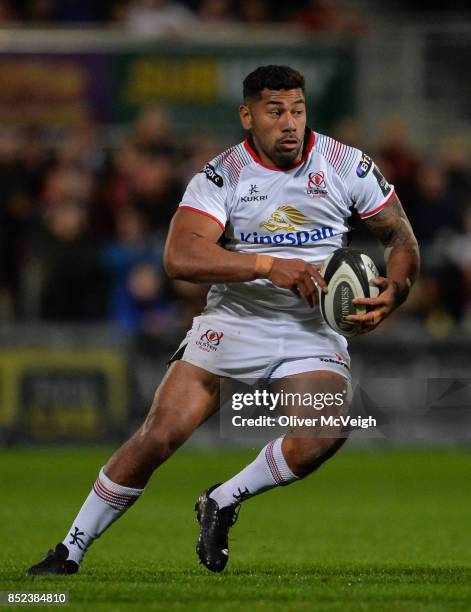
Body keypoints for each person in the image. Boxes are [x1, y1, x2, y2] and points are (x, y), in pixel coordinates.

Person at [27, 65, 420, 575]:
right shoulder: (223, 175)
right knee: (159, 434)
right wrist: (266, 265)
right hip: (233, 320)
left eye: (298, 111)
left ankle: (222, 499)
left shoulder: (347, 164)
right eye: (275, 111)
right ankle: (69, 550)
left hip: (311, 329)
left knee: (322, 433)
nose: (289, 123)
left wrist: (397, 290)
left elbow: (401, 240)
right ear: (247, 115)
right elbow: (179, 257)